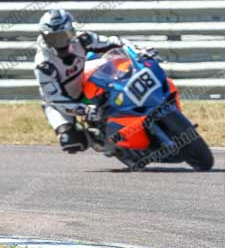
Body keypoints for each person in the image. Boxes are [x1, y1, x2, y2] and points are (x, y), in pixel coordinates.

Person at [34, 9, 156, 153]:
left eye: (65, 36)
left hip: (84, 81)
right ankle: (97, 139)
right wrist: (83, 110)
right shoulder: (44, 65)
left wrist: (137, 49)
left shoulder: (83, 39)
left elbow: (115, 43)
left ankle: (138, 115)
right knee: (71, 142)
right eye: (54, 39)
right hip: (62, 102)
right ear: (45, 38)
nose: (61, 43)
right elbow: (55, 99)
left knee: (117, 77)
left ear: (72, 31)